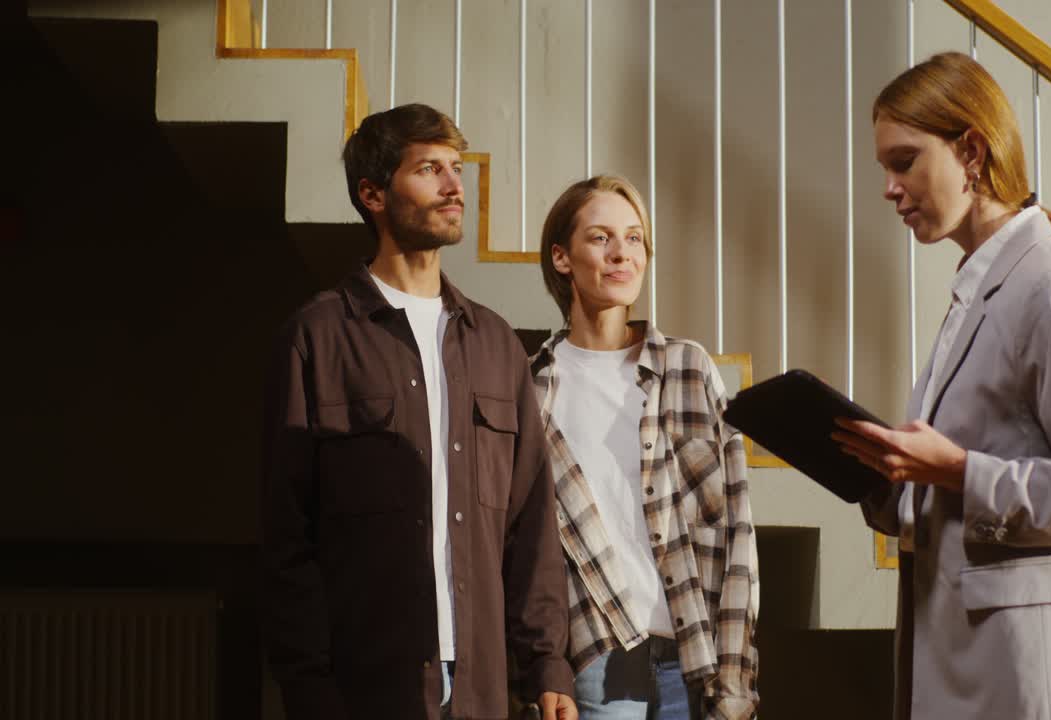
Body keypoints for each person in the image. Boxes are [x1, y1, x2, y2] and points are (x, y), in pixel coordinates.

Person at [831, 53, 1051, 720]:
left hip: (1031, 677)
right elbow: (963, 478)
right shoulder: (978, 290)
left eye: (905, 162)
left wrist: (959, 473)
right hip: (975, 663)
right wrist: (884, 478)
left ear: (971, 152)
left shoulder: (1050, 284)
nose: (890, 187)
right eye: (885, 168)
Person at [261, 103, 577, 720]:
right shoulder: (317, 339)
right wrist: (307, 685)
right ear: (373, 193)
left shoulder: (494, 344)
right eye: (429, 168)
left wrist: (546, 665)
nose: (454, 185)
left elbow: (531, 524)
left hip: (481, 687)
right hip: (364, 686)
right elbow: (286, 536)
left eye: (456, 168)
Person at [529, 175, 760, 720]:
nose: (621, 254)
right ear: (562, 258)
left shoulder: (688, 368)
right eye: (601, 238)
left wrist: (736, 674)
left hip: (694, 651)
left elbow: (736, 530)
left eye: (634, 239)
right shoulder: (533, 388)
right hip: (596, 657)